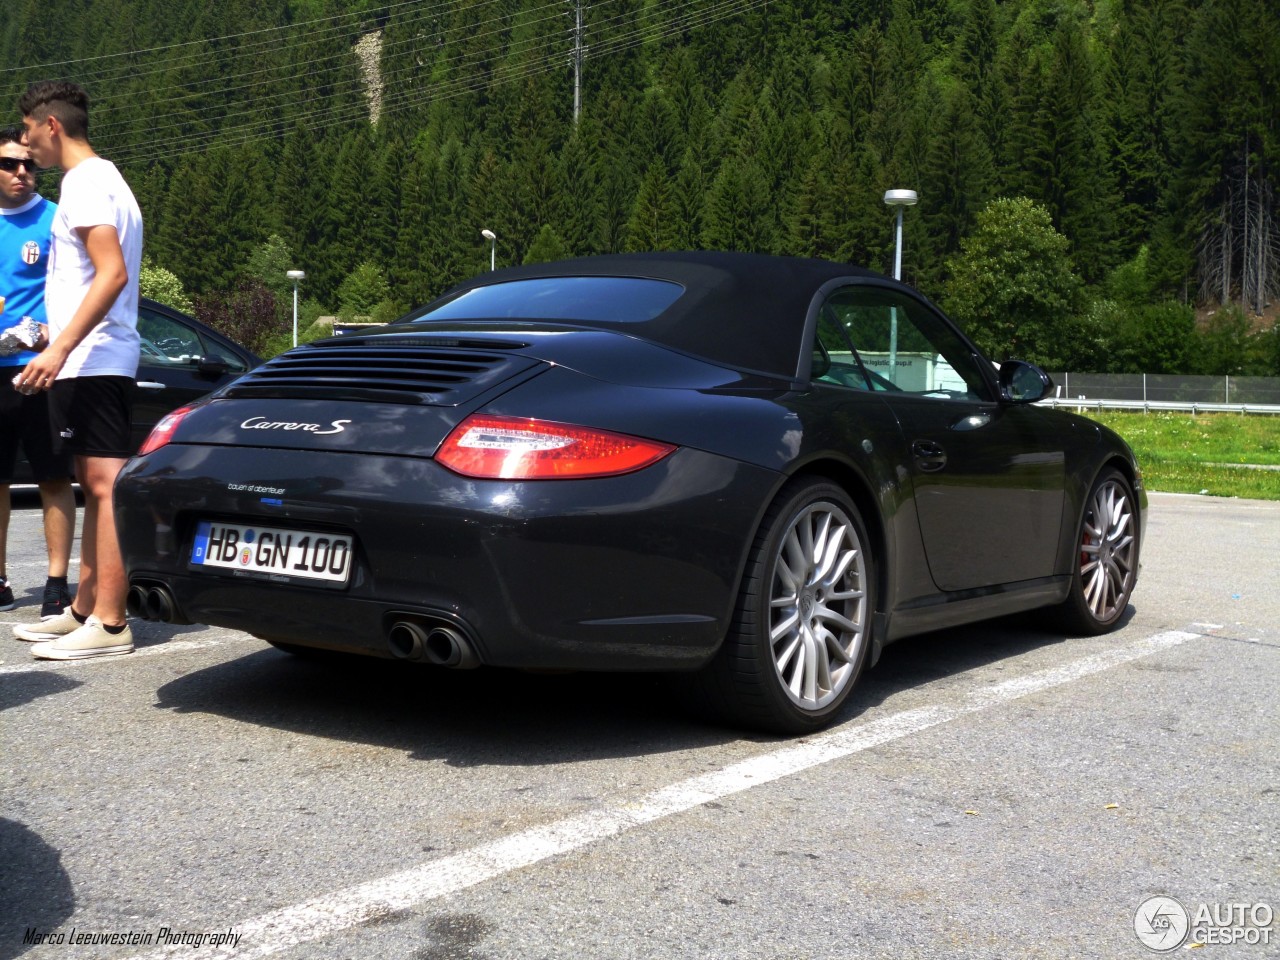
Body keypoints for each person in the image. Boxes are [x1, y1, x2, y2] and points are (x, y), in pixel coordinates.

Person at [12, 81, 142, 659]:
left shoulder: (85, 184)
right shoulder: (101, 179)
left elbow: (110, 274)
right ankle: (85, 607)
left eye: (27, 130)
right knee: (94, 486)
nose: (25, 143)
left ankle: (111, 624)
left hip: (94, 358)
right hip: (92, 359)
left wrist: (59, 347)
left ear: (52, 127)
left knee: (107, 487)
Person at [0, 126, 76, 624]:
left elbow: (78, 289)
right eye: (9, 164)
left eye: (28, 164)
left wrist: (49, 331)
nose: (22, 172)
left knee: (53, 476)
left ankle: (55, 583)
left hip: (43, 369)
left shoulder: (55, 220)